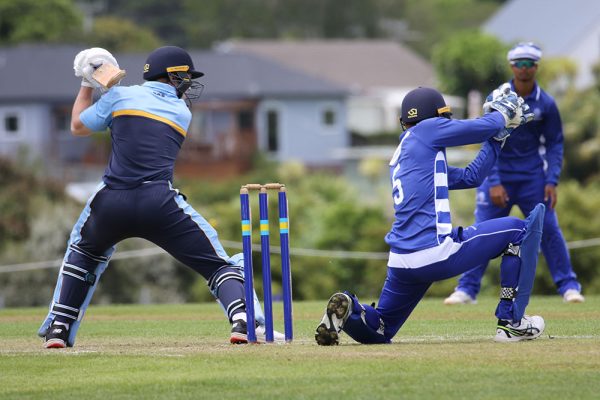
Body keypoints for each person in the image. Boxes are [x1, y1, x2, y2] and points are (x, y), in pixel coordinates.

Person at [38, 46, 281, 348]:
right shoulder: (181, 112)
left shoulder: (118, 97)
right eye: (185, 77)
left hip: (112, 200)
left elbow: (76, 126)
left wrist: (88, 83)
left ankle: (59, 327)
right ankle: (242, 320)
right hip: (158, 202)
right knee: (219, 265)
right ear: (170, 75)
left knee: (82, 255)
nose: (189, 84)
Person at [315, 85, 546, 345]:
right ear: (437, 117)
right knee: (517, 230)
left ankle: (351, 312)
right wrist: (502, 116)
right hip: (435, 252)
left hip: (401, 262)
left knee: (382, 329)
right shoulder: (427, 130)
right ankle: (511, 323)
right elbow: (479, 128)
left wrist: (498, 137)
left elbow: (473, 176)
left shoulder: (407, 154)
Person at [444, 42, 584, 306]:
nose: (524, 69)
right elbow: (488, 137)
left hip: (533, 178)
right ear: (511, 66)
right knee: (480, 233)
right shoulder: (498, 96)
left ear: (536, 67)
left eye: (529, 64)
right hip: (497, 178)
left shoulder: (547, 103)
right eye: (519, 63)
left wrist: (552, 180)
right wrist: (493, 181)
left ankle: (569, 287)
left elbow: (555, 143)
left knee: (549, 230)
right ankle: (467, 290)